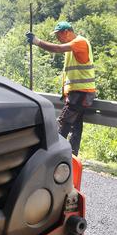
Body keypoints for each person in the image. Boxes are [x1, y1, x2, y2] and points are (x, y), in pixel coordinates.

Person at [27, 20, 96, 154]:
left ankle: (53, 154)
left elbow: (57, 49)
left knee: (63, 124)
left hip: (80, 94)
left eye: (58, 35)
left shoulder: (79, 42)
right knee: (76, 127)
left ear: (67, 32)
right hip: (79, 94)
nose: (57, 38)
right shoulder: (71, 47)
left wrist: (37, 41)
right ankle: (71, 156)